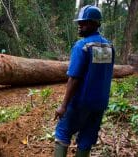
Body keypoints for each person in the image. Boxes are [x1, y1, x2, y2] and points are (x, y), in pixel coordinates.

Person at [53, 5, 115, 157]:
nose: (79, 25)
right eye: (79, 22)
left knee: (62, 133)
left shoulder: (82, 46)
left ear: (95, 24)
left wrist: (63, 106)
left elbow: (74, 78)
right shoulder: (109, 47)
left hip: (81, 102)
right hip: (99, 103)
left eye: (84, 22)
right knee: (87, 138)